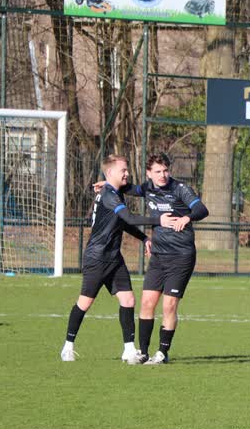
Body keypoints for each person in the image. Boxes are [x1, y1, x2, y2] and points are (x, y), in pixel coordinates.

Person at [60, 154, 175, 362]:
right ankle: (68, 346)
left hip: (114, 257)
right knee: (85, 302)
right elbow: (129, 218)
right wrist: (159, 220)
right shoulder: (108, 195)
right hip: (97, 257)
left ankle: (129, 350)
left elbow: (122, 223)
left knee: (128, 300)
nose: (127, 173)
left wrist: (143, 238)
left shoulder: (115, 191)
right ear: (110, 172)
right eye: (123, 170)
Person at [124, 153, 209, 365]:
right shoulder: (147, 188)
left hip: (181, 256)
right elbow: (125, 188)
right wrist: (107, 185)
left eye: (165, 170)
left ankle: (162, 353)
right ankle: (143, 353)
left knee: (169, 305)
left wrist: (187, 217)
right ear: (149, 173)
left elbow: (201, 209)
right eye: (157, 171)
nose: (162, 175)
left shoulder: (180, 189)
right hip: (158, 256)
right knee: (147, 302)